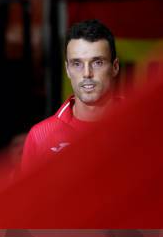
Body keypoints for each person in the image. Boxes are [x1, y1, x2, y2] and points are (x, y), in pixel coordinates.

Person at [22, 19, 120, 172]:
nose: (87, 73)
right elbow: (30, 196)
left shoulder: (142, 125)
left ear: (114, 67)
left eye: (97, 62)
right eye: (77, 64)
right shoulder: (40, 136)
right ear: (67, 70)